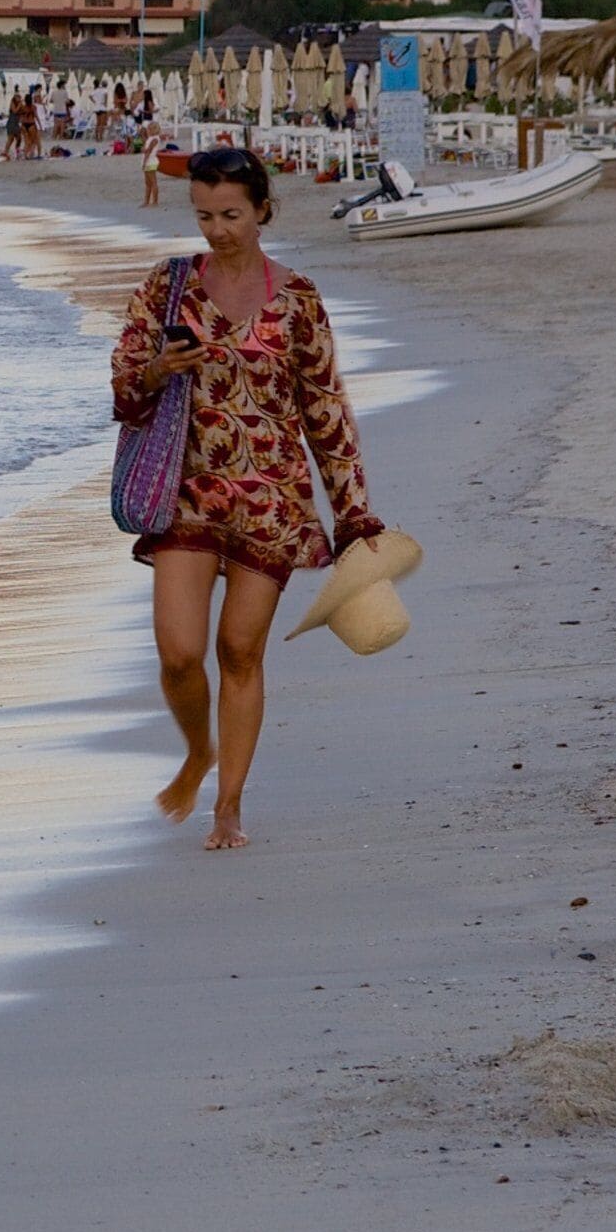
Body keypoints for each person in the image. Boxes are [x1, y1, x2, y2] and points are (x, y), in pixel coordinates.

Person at [111, 147, 381, 851]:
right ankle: (197, 749)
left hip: (271, 499)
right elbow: (122, 387)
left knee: (238, 650)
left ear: (262, 209)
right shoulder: (167, 288)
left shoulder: (298, 299)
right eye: (204, 215)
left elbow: (325, 409)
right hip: (187, 493)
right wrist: (155, 369)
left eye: (231, 214)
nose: (218, 229)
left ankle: (228, 804)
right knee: (177, 653)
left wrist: (352, 510)